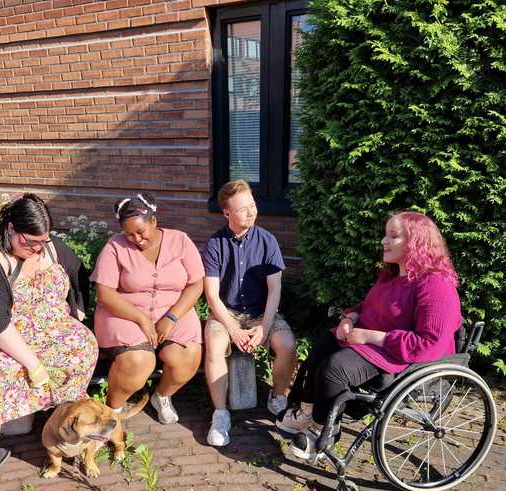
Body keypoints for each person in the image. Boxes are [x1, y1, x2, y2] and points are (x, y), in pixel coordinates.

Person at [275, 211, 462, 460]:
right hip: (375, 346)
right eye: (385, 235)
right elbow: (369, 307)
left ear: (416, 242)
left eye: (393, 236)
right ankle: (310, 411)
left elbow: (429, 344)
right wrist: (350, 318)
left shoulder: (436, 285)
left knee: (335, 368)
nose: (384, 241)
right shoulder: (393, 277)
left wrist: (372, 337)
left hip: (403, 358)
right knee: (323, 345)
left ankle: (324, 431)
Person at [0, 193, 98, 491]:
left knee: (82, 346)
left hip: (48, 327)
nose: (35, 249)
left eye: (41, 242)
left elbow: (79, 273)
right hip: (2, 334)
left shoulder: (50, 248)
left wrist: (79, 311)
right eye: (28, 242)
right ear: (9, 228)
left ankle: (62, 423)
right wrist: (33, 364)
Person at [91, 193, 204, 421]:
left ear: (154, 221)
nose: (136, 239)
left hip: (173, 310)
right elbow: (104, 294)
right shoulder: (115, 246)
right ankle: (112, 410)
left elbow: (196, 284)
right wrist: (142, 319)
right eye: (129, 234)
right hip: (124, 313)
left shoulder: (180, 240)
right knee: (138, 361)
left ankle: (162, 395)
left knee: (188, 355)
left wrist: (171, 317)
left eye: (141, 232)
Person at [202, 179, 297, 446]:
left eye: (252, 205)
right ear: (227, 212)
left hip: (260, 314)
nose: (251, 212)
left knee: (287, 344)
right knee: (215, 343)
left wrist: (264, 329)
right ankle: (220, 414)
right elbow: (211, 295)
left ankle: (278, 398)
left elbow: (275, 290)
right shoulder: (215, 244)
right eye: (243, 208)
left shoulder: (268, 241)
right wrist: (232, 329)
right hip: (227, 313)